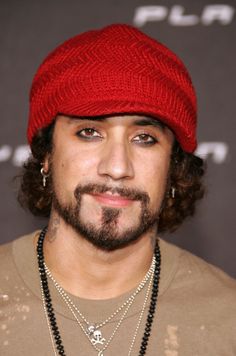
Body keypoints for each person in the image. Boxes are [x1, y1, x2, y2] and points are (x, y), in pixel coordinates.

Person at [0, 23, 235, 356]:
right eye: (89, 132)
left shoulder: (227, 319)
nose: (117, 166)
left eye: (144, 139)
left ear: (173, 167)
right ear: (47, 153)